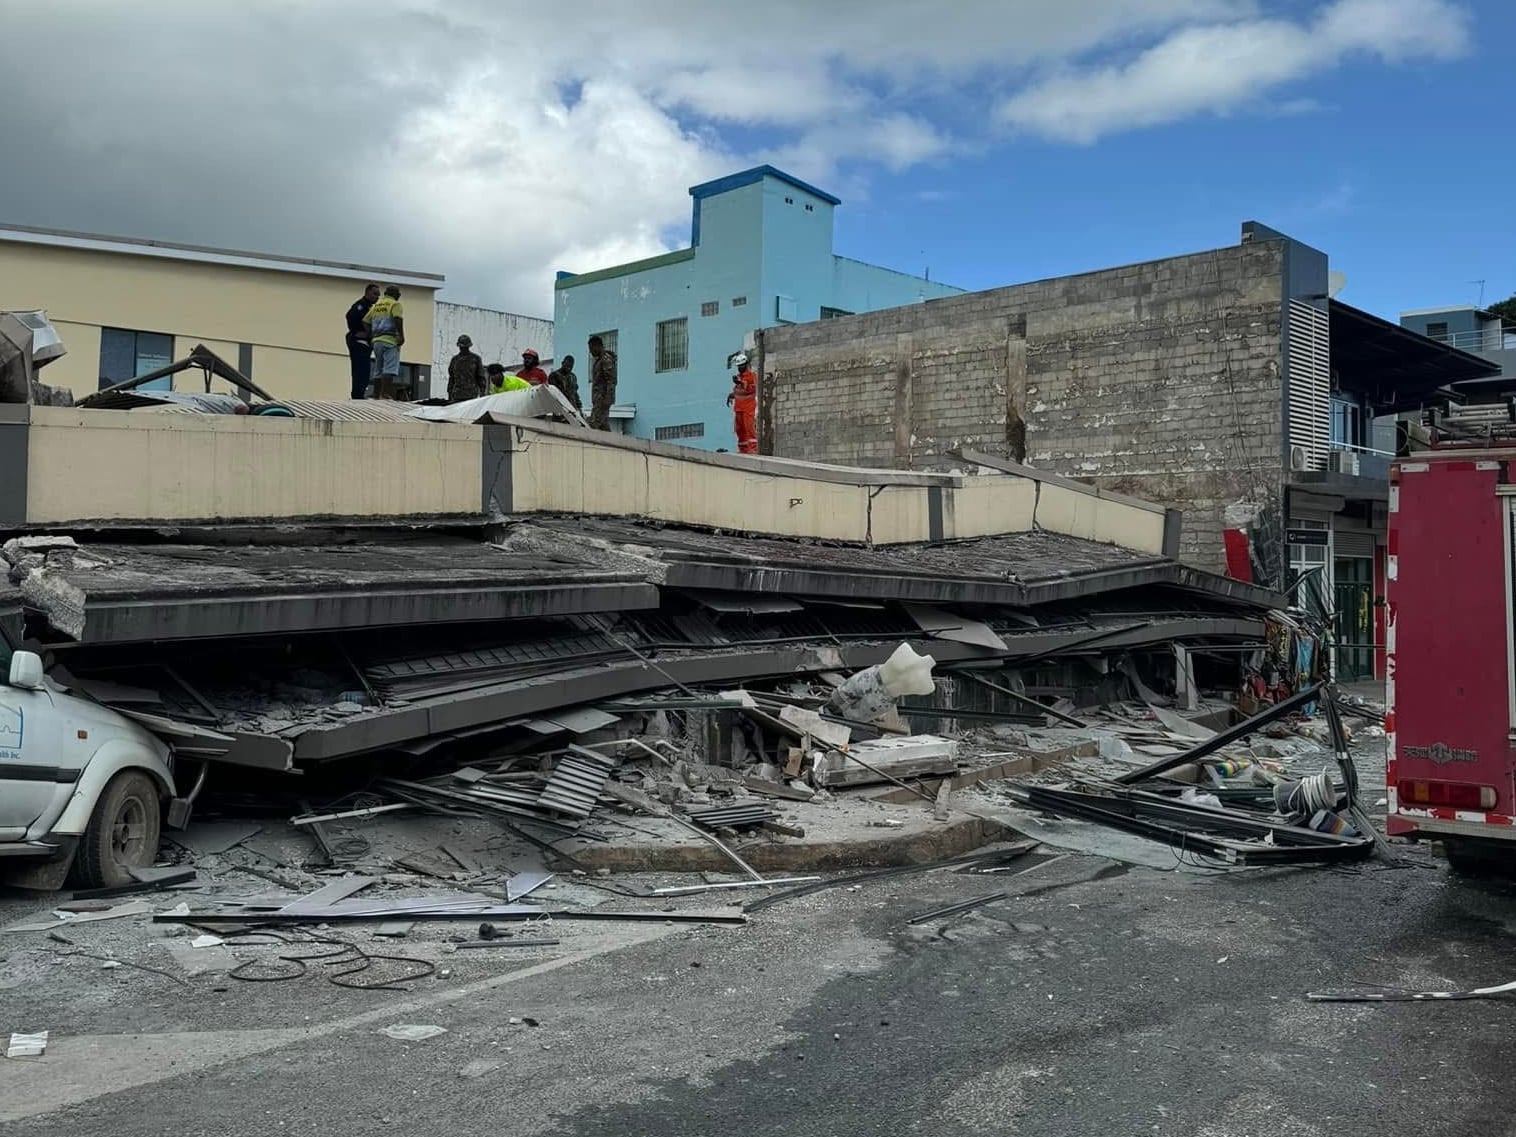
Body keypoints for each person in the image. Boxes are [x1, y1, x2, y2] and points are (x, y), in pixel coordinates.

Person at [363, 285, 405, 399]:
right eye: (399, 293)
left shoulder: (376, 306)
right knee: (389, 368)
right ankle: (385, 394)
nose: (399, 295)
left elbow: (366, 321)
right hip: (390, 340)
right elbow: (398, 319)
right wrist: (401, 335)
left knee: (378, 367)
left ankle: (376, 394)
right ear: (395, 294)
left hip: (377, 341)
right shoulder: (395, 304)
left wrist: (370, 336)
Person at [345, 282, 380, 399]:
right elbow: (350, 316)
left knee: (364, 371)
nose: (377, 297)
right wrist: (357, 331)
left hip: (365, 343)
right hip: (359, 341)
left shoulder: (370, 307)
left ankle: (359, 393)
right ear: (367, 292)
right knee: (360, 370)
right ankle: (357, 394)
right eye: (375, 294)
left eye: (378, 295)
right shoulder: (361, 306)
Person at [726, 351, 758, 454]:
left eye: (742, 366)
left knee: (749, 428)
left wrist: (740, 382)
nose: (740, 368)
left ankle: (753, 449)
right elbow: (739, 392)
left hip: (748, 407)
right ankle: (743, 449)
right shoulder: (740, 377)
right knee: (740, 430)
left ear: (746, 364)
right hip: (739, 407)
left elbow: (751, 389)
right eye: (739, 366)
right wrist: (731, 395)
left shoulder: (751, 376)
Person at [587, 334, 616, 431]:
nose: (590, 351)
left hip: (603, 398)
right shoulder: (599, 360)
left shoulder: (606, 359)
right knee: (602, 424)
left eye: (591, 348)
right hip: (598, 398)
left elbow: (611, 380)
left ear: (598, 346)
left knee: (595, 423)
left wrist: (608, 397)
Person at [447, 334, 487, 403]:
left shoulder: (476, 359)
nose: (463, 349)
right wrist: (450, 394)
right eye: (462, 347)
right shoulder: (455, 359)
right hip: (457, 395)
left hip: (471, 395)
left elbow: (481, 377)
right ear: (459, 346)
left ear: (469, 347)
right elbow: (451, 378)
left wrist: (482, 393)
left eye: (465, 347)